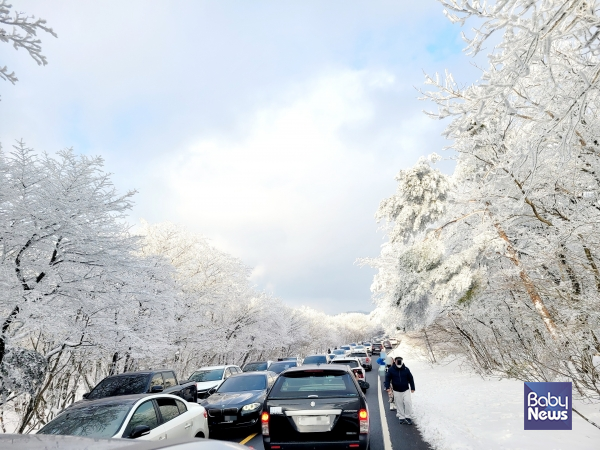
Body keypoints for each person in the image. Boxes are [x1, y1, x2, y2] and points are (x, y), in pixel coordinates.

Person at [384, 356, 415, 424]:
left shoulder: (406, 369)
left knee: (408, 402)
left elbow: (411, 378)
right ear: (395, 361)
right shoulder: (391, 370)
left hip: (406, 390)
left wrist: (412, 387)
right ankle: (402, 417)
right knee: (399, 404)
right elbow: (387, 378)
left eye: (400, 360)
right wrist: (387, 387)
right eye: (397, 361)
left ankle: (408, 417)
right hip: (396, 390)